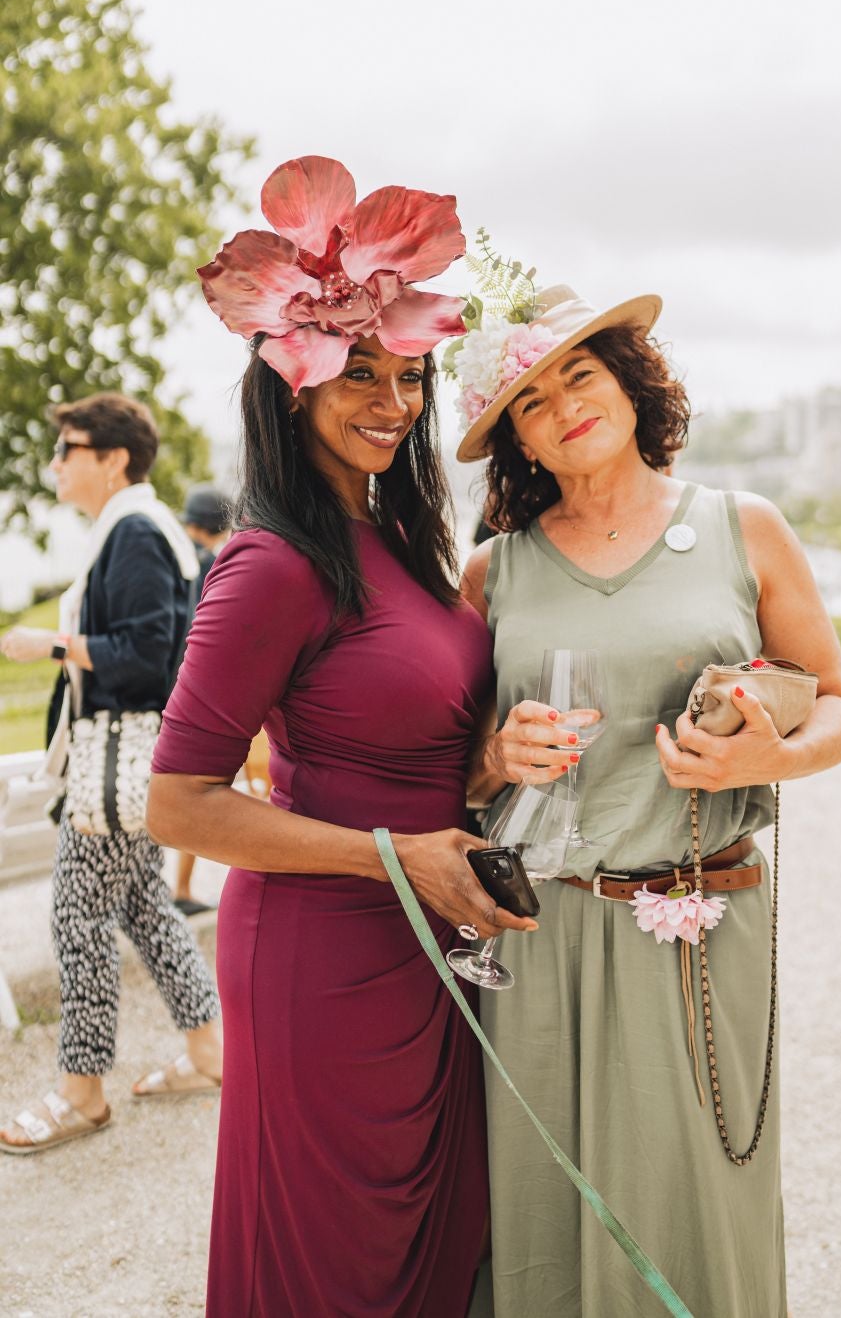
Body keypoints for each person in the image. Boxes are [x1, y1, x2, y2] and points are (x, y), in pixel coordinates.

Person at [146, 155, 536, 1318]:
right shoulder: (268, 563)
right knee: (338, 1263)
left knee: (437, 1246)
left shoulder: (406, 546)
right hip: (325, 955)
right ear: (290, 376)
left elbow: (424, 739)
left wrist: (483, 770)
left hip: (436, 944)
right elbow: (177, 806)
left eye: (408, 374)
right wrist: (394, 854)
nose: (394, 402)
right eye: (359, 373)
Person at [452, 280, 841, 1318]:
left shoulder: (745, 528)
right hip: (541, 938)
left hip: (697, 923)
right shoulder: (491, 575)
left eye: (579, 376)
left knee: (694, 1208)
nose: (563, 408)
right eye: (531, 403)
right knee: (547, 1209)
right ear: (521, 446)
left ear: (632, 384)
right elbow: (453, 776)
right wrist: (496, 756)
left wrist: (755, 761)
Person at [0, 392, 223, 1156]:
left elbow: (146, 655)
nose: (56, 463)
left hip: (114, 764)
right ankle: (207, 1052)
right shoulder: (138, 527)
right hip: (134, 764)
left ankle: (82, 1093)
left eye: (70, 449)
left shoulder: (131, 532)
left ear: (115, 457)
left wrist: (51, 646)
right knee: (145, 911)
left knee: (77, 920)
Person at [172, 484, 234, 913]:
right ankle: (181, 888)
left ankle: (180, 888)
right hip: (207, 695)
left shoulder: (177, 564)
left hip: (174, 691)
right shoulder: (215, 565)